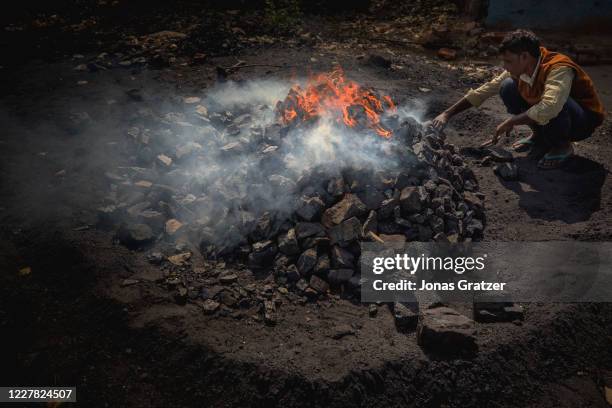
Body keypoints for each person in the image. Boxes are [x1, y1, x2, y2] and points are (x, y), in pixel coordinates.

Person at [431, 29, 605, 169]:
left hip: (582, 122)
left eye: (508, 61)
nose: (504, 66)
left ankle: (562, 146)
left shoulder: (558, 68)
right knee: (507, 86)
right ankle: (538, 136)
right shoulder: (520, 69)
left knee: (556, 102)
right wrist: (446, 114)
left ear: (524, 56)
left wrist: (512, 121)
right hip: (558, 114)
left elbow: (550, 107)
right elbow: (484, 91)